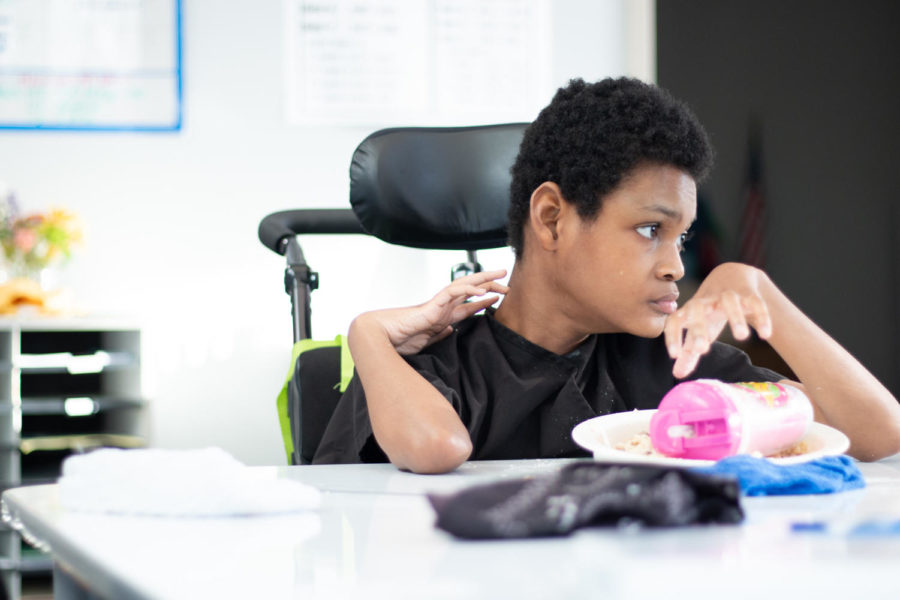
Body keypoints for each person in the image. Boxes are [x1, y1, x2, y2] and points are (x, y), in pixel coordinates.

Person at [313, 77, 900, 473]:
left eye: (683, 238)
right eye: (651, 230)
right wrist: (366, 333)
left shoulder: (674, 365)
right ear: (552, 219)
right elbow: (438, 448)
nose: (677, 265)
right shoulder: (430, 367)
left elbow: (878, 434)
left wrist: (759, 289)